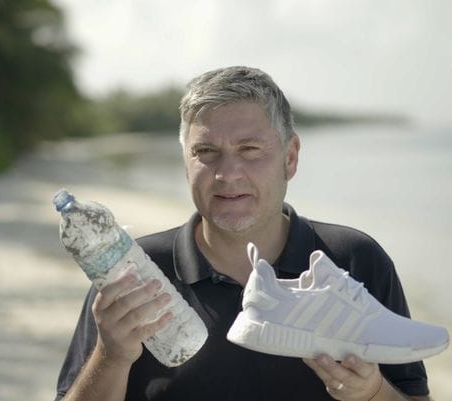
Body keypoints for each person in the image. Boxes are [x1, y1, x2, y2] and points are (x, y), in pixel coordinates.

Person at [55, 66, 432, 401]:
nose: (227, 173)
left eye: (250, 149)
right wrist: (111, 357)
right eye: (206, 151)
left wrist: (372, 393)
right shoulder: (136, 274)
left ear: (290, 158)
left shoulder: (354, 260)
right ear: (185, 161)